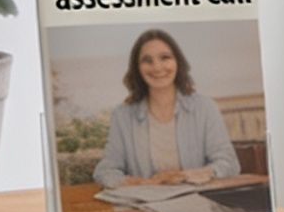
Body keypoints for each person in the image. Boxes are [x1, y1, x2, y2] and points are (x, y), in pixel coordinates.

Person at [92, 28, 244, 191]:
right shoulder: (122, 116)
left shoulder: (205, 108)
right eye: (147, 60)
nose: (157, 67)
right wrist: (141, 183)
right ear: (137, 69)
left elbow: (229, 163)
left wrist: (185, 176)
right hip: (144, 207)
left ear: (178, 62)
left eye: (165, 58)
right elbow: (104, 171)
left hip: (199, 203)